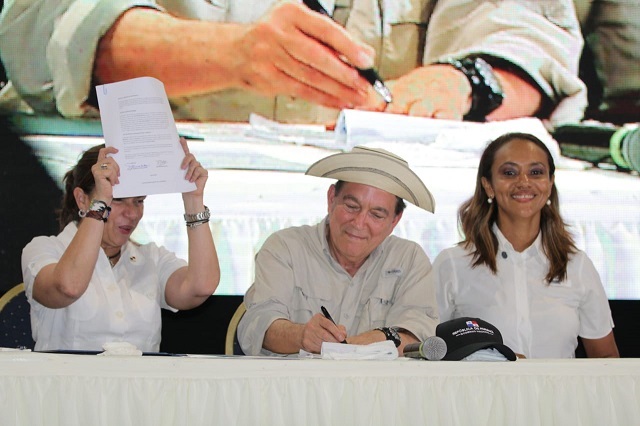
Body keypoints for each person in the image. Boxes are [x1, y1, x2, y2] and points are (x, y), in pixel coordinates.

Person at [0, 0, 585, 125]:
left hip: (376, 228)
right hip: (141, 220)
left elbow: (532, 36)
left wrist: (462, 81)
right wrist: (233, 54)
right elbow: (40, 25)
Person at [431, 132, 619, 359]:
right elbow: (429, 355)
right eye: (509, 173)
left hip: (561, 395)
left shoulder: (577, 266)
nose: (523, 182)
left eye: (536, 172)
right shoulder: (452, 264)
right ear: (488, 185)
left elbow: (607, 361)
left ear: (549, 184)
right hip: (484, 395)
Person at [21, 138, 220, 352]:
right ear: (82, 199)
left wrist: (194, 200)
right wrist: (100, 205)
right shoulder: (45, 250)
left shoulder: (152, 258)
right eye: (118, 200)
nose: (132, 213)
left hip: (141, 384)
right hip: (69, 384)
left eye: (139, 201)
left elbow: (201, 287)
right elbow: (68, 287)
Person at [237, 146, 438, 356]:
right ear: (331, 198)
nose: (359, 223)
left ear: (395, 221)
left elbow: (417, 337)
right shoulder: (285, 247)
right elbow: (257, 326)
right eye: (351, 206)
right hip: (293, 385)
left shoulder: (409, 260)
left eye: (377, 215)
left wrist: (342, 348)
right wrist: (301, 335)